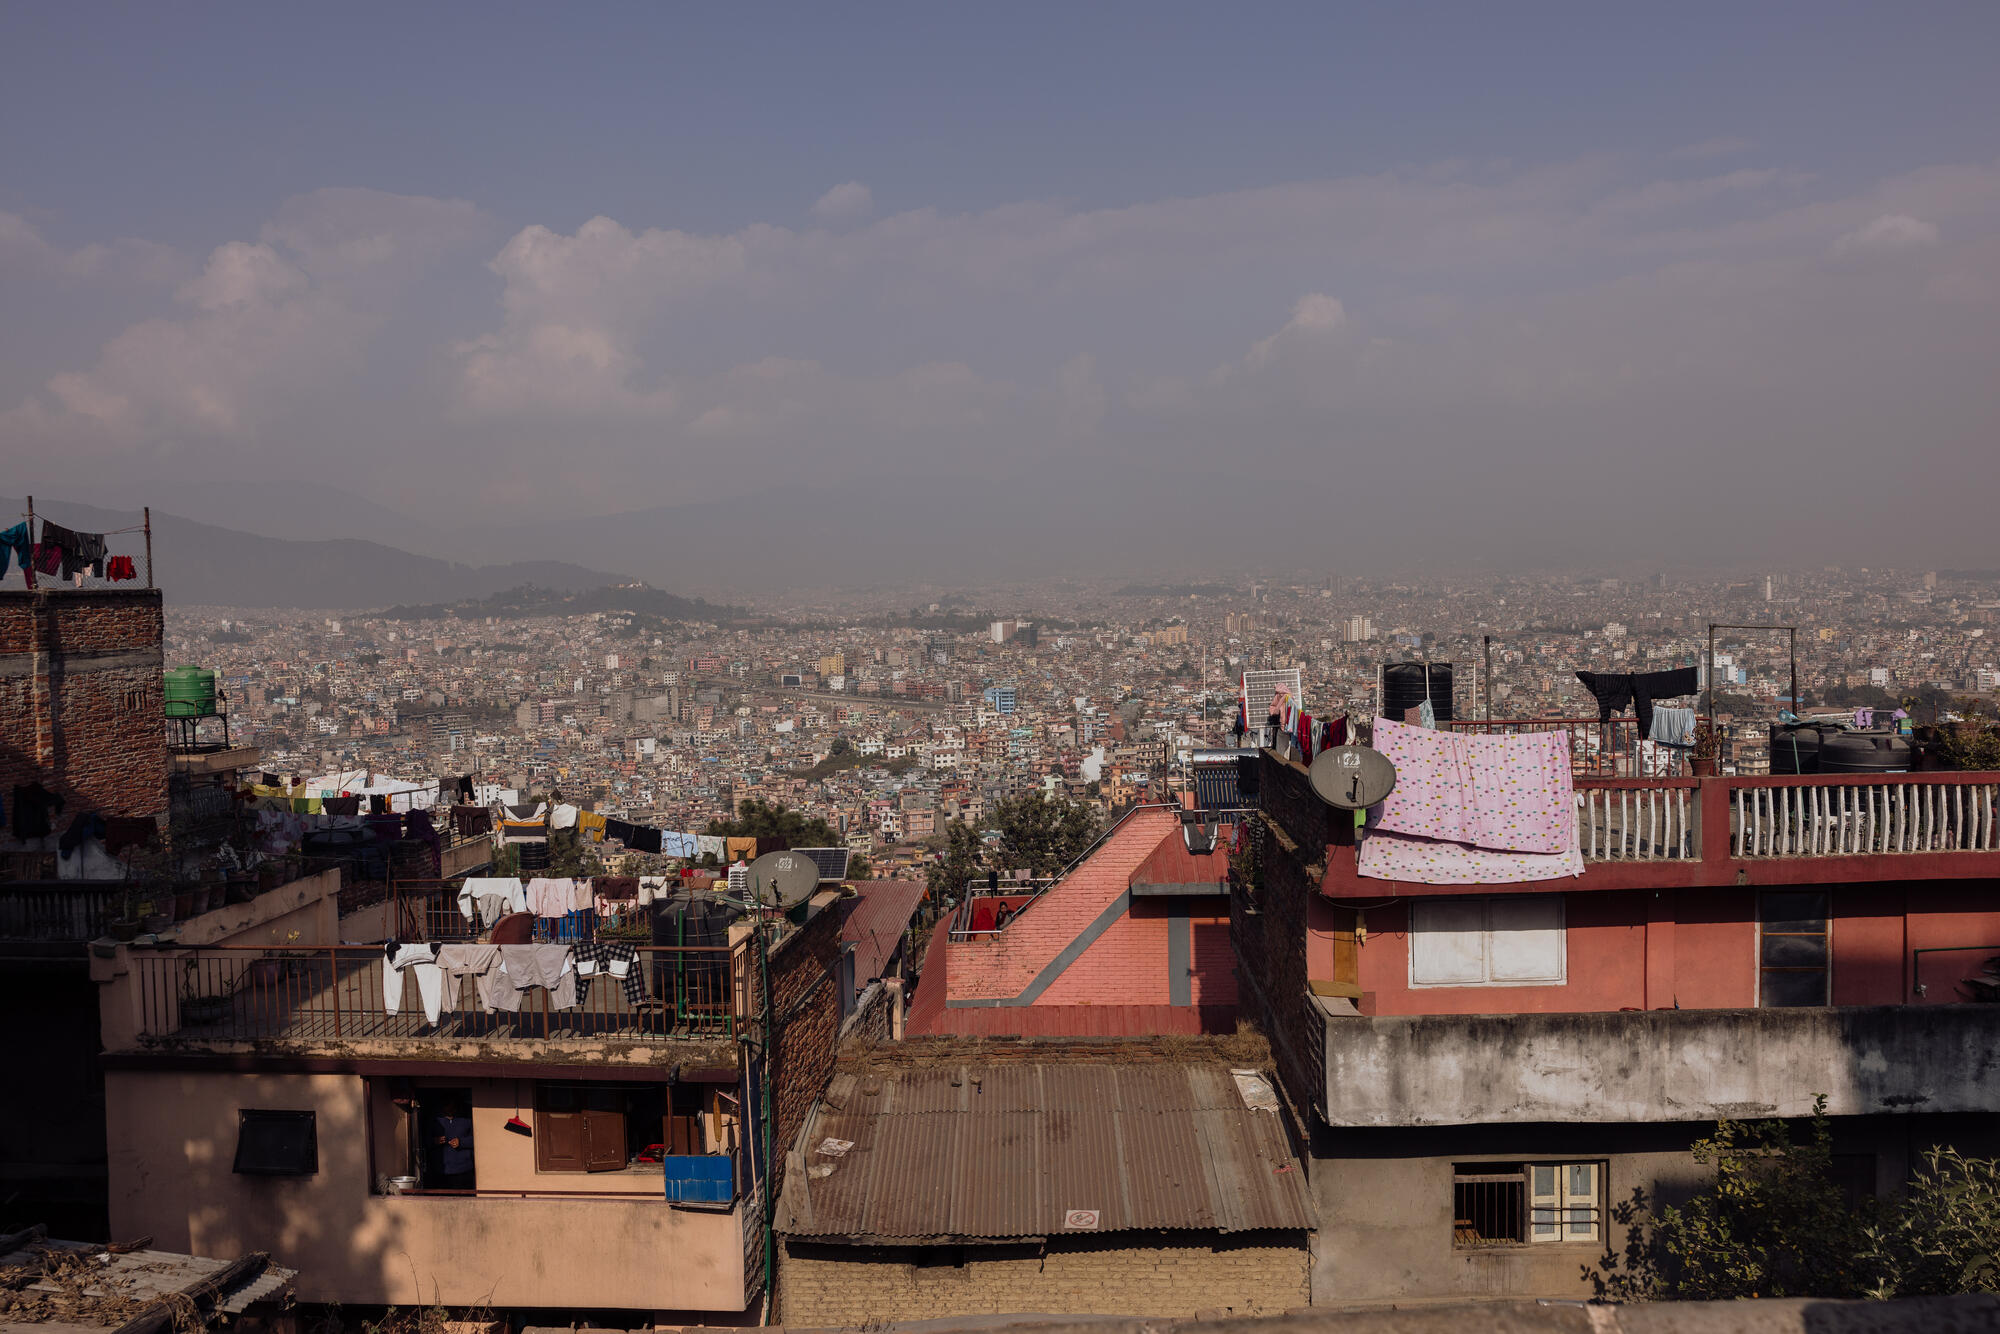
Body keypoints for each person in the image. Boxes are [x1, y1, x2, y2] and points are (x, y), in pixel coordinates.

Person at [430, 1100, 475, 1189]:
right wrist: (434, 1141)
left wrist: (461, 1142)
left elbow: (478, 1140)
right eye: (448, 1106)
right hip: (440, 1170)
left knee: (464, 1200)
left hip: (464, 1169)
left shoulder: (467, 1120)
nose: (451, 1109)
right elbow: (422, 1141)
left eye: (453, 1106)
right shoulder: (435, 1121)